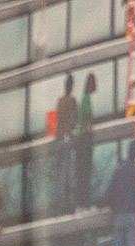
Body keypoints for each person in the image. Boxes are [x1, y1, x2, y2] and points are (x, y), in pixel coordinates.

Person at [53, 76, 79, 212]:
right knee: (69, 172)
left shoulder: (60, 101)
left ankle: (60, 203)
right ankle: (68, 204)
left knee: (60, 174)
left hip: (59, 138)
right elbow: (74, 119)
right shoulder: (72, 101)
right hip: (67, 138)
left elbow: (57, 119)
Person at [73, 72, 98, 209]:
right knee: (86, 173)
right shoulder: (87, 99)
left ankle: (80, 203)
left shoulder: (82, 99)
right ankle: (85, 203)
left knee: (81, 173)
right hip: (85, 140)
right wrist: (89, 125)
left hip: (79, 139)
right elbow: (87, 118)